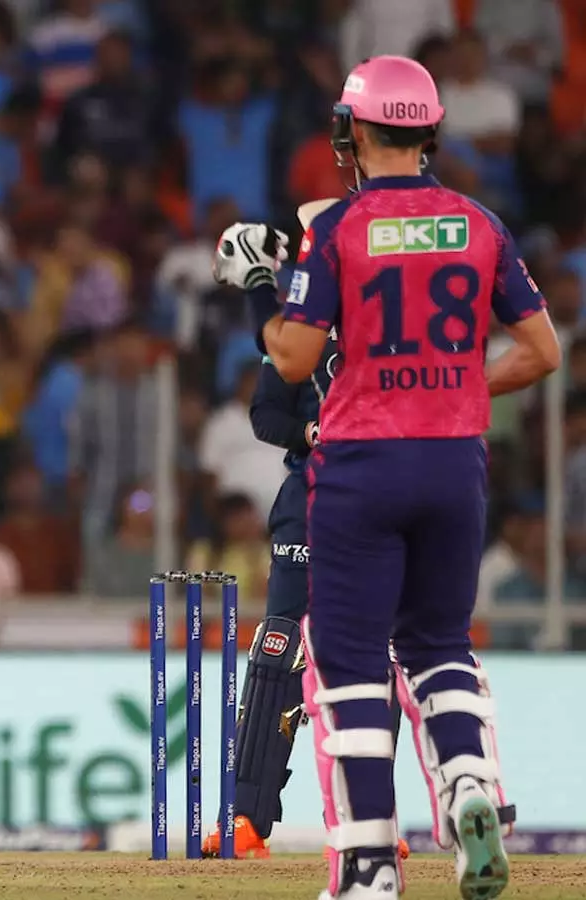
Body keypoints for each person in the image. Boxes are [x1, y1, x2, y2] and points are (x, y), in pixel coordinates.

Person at [213, 56, 559, 900]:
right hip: (454, 462)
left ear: (351, 132)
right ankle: (470, 784)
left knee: (349, 662)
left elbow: (293, 358)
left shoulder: (339, 229)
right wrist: (456, 392)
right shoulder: (480, 224)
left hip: (361, 464)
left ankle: (368, 864)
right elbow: (542, 352)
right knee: (440, 647)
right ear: (431, 132)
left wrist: (258, 289)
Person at [204, 335, 411, 863]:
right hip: (311, 498)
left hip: (383, 501)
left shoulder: (401, 321)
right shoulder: (301, 328)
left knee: (374, 658)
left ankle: (366, 821)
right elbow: (265, 415)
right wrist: (310, 432)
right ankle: (244, 819)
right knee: (279, 649)